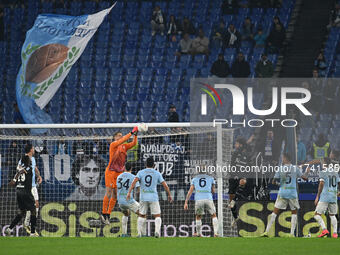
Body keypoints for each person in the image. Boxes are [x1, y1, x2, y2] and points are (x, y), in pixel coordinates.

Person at [261, 153, 310, 237]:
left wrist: (279, 184)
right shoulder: (295, 168)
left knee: (274, 212)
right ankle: (291, 234)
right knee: (294, 213)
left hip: (282, 192)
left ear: (285, 158)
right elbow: (305, 178)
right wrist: (307, 172)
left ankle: (266, 231)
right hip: (292, 193)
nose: (282, 159)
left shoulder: (280, 168)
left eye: (283, 158)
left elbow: (273, 181)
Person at [126, 157, 173, 237]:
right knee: (157, 216)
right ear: (154, 165)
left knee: (141, 215)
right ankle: (157, 232)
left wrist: (129, 192)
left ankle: (139, 233)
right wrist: (169, 194)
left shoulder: (140, 172)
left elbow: (134, 181)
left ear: (145, 164)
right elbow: (165, 185)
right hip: (153, 197)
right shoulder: (157, 173)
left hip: (143, 197)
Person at [101, 127, 138, 224]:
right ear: (114, 138)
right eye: (118, 136)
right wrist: (131, 133)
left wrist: (136, 135)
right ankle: (103, 213)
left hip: (119, 173)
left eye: (121, 136)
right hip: (110, 172)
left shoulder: (124, 147)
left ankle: (108, 214)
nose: (120, 137)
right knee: (108, 192)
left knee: (115, 194)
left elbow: (134, 144)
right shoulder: (113, 145)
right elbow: (123, 140)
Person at [4, 144, 39, 237]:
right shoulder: (27, 167)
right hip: (26, 191)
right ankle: (32, 233)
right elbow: (22, 171)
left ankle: (9, 229)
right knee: (34, 210)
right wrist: (15, 179)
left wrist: (15, 180)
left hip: (19, 190)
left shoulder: (22, 166)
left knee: (22, 212)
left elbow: (19, 171)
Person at [184, 169, 219, 237]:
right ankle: (216, 233)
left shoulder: (194, 179)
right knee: (213, 215)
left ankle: (198, 233)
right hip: (208, 198)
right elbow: (213, 191)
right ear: (206, 171)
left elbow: (190, 191)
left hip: (199, 199)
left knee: (198, 216)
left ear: (198, 171)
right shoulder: (211, 178)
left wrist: (186, 202)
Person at [312, 157, 340, 238]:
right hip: (333, 196)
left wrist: (317, 196)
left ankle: (324, 230)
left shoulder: (323, 172)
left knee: (317, 215)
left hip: (325, 196)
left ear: (324, 163)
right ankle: (335, 233)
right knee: (332, 215)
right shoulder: (335, 172)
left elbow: (321, 184)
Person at [117, 162, 141, 237]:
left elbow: (116, 188)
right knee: (142, 214)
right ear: (131, 168)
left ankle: (124, 234)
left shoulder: (119, 177)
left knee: (126, 213)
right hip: (129, 201)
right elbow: (138, 190)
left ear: (124, 168)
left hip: (120, 202)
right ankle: (140, 234)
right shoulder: (133, 177)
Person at [23, 145, 43, 234]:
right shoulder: (23, 159)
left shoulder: (33, 159)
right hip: (27, 186)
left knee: (37, 205)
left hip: (33, 185)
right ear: (31, 149)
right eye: (33, 148)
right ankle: (27, 224)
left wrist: (39, 176)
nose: (34, 149)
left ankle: (30, 224)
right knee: (32, 206)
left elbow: (35, 168)